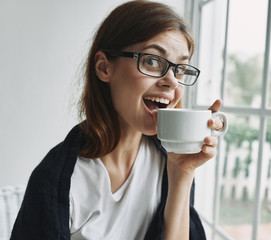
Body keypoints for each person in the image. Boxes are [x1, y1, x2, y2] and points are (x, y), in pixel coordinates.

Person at [10, 1, 224, 239]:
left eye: (180, 69)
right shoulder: (57, 181)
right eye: (152, 61)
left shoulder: (170, 164)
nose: (172, 81)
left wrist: (182, 173)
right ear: (104, 68)